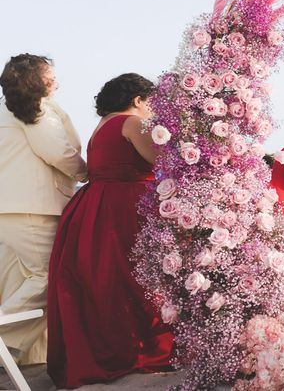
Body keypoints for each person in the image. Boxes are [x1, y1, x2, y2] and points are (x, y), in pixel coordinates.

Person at [46, 73, 173, 387]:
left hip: (93, 205)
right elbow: (161, 162)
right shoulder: (131, 123)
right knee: (139, 277)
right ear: (137, 100)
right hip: (124, 205)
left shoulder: (101, 127)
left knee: (110, 279)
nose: (151, 111)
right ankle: (142, 346)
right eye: (150, 103)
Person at [0, 54, 87, 365]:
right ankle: (5, 349)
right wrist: (87, 173)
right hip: (33, 208)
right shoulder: (35, 109)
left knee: (19, 282)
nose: (56, 82)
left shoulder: (3, 111)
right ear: (37, 81)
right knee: (51, 276)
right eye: (50, 76)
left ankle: (23, 361)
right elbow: (57, 152)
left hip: (9, 209)